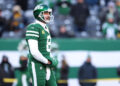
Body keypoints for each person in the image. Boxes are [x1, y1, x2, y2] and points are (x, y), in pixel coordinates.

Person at [25, 4, 58, 86]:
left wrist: (51, 58)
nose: (49, 15)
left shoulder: (45, 28)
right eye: (46, 13)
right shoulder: (33, 27)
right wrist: (47, 61)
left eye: (49, 13)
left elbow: (46, 49)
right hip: (37, 64)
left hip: (46, 64)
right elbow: (34, 52)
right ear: (39, 14)